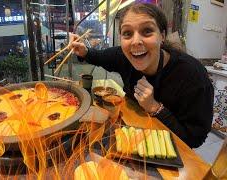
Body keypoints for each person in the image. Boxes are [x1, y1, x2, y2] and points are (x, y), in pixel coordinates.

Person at [70, 3, 214, 148]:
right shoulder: (122, 55)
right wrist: (84, 51)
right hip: (132, 134)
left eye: (147, 31)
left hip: (170, 149)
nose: (136, 41)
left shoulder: (193, 75)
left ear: (162, 36)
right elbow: (99, 56)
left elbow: (194, 138)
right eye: (127, 33)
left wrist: (155, 108)